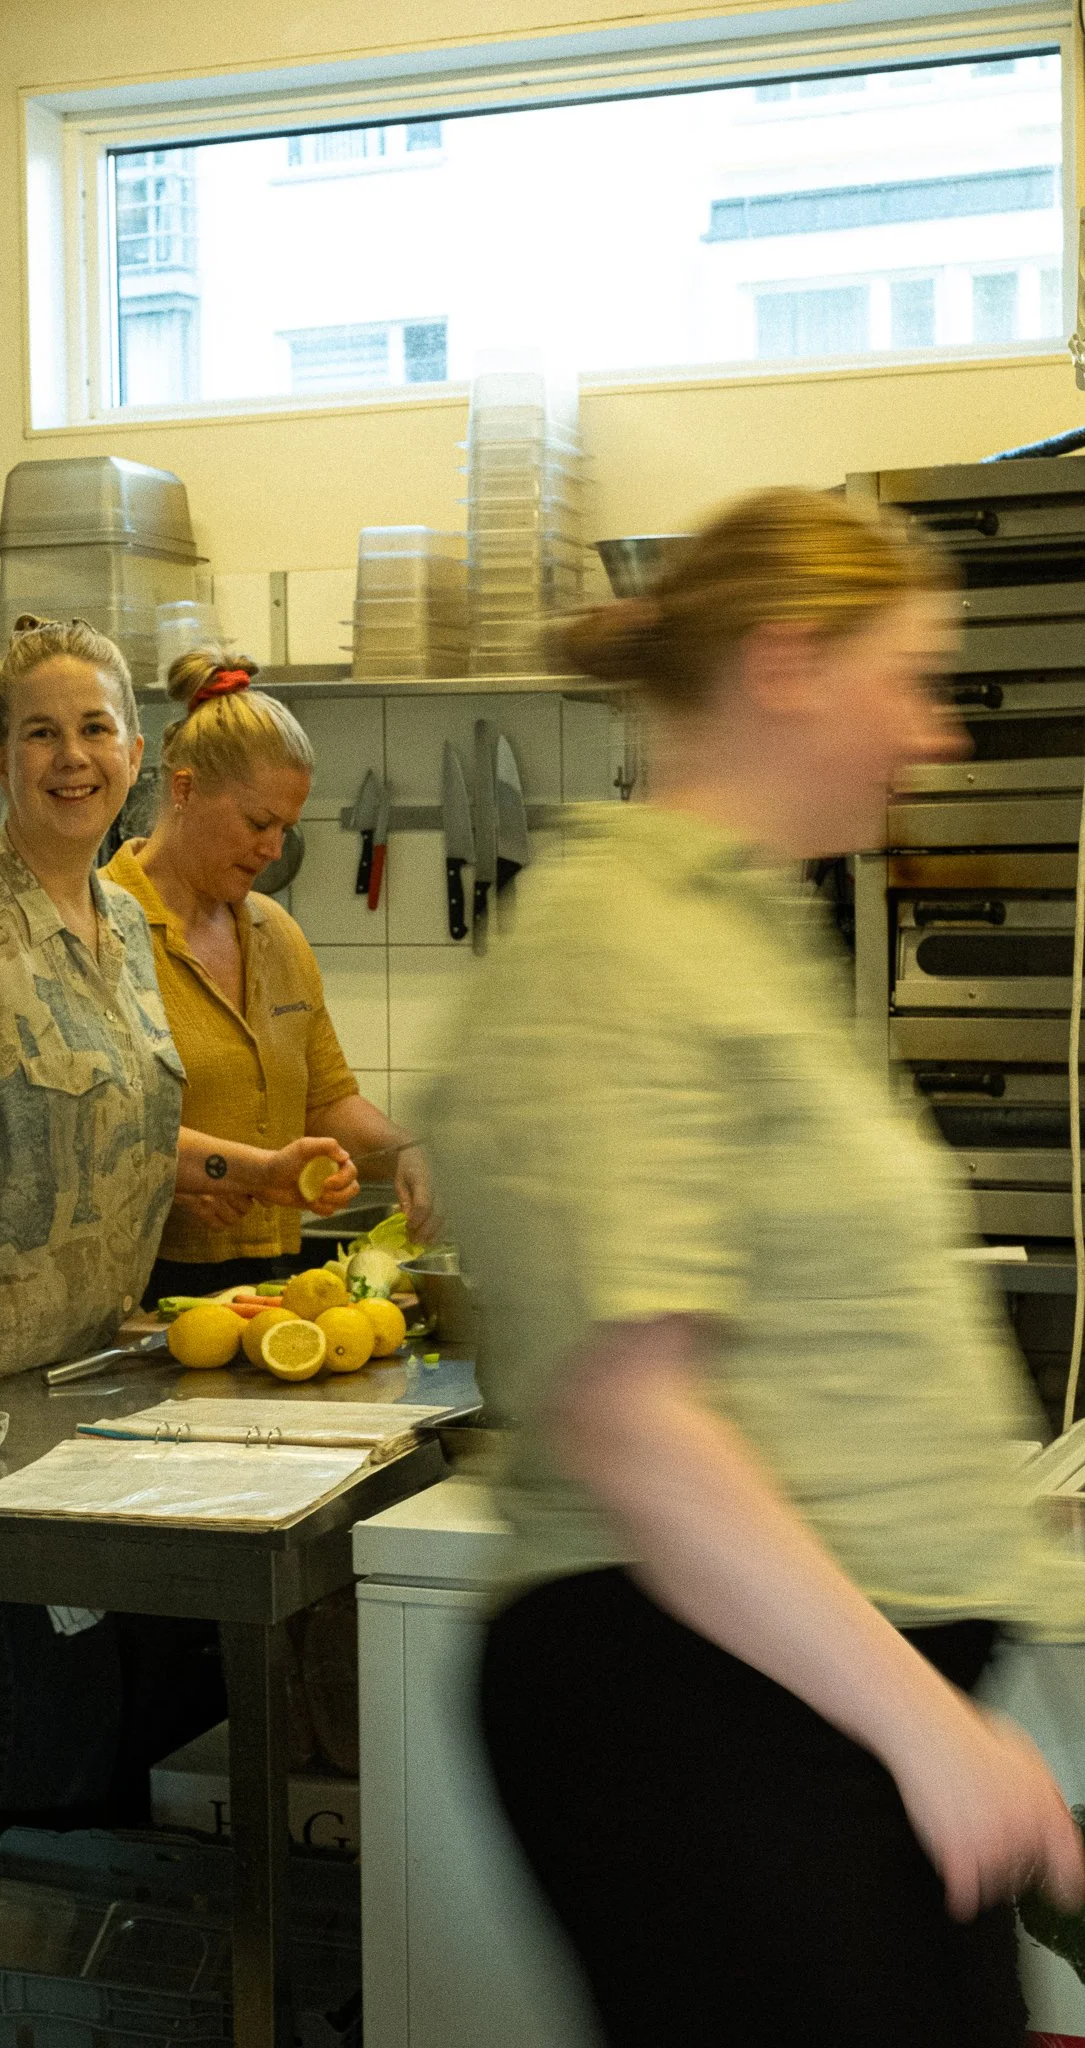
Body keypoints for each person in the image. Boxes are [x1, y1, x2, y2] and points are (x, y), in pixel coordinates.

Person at [425, 488, 1085, 2048]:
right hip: (702, 1711)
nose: (938, 738)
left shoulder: (744, 933)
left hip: (808, 1704)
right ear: (788, 665)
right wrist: (928, 1731)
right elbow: (632, 1420)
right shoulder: (610, 936)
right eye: (911, 679)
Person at [0, 616, 357, 1875]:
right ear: (2, 754)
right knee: (34, 1724)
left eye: (93, 728)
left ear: (135, 748)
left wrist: (254, 1164)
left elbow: (127, 1120)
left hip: (76, 1381)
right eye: (39, 732)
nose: (71, 757)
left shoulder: (120, 926)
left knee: (60, 1723)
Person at [101, 650, 432, 1303]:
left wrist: (405, 1149)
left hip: (266, 1286)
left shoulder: (275, 934)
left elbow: (326, 1099)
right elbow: (89, 1129)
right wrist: (183, 1177)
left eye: (286, 827)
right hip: (136, 1292)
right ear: (185, 788)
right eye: (258, 823)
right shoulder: (96, 928)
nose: (274, 849)